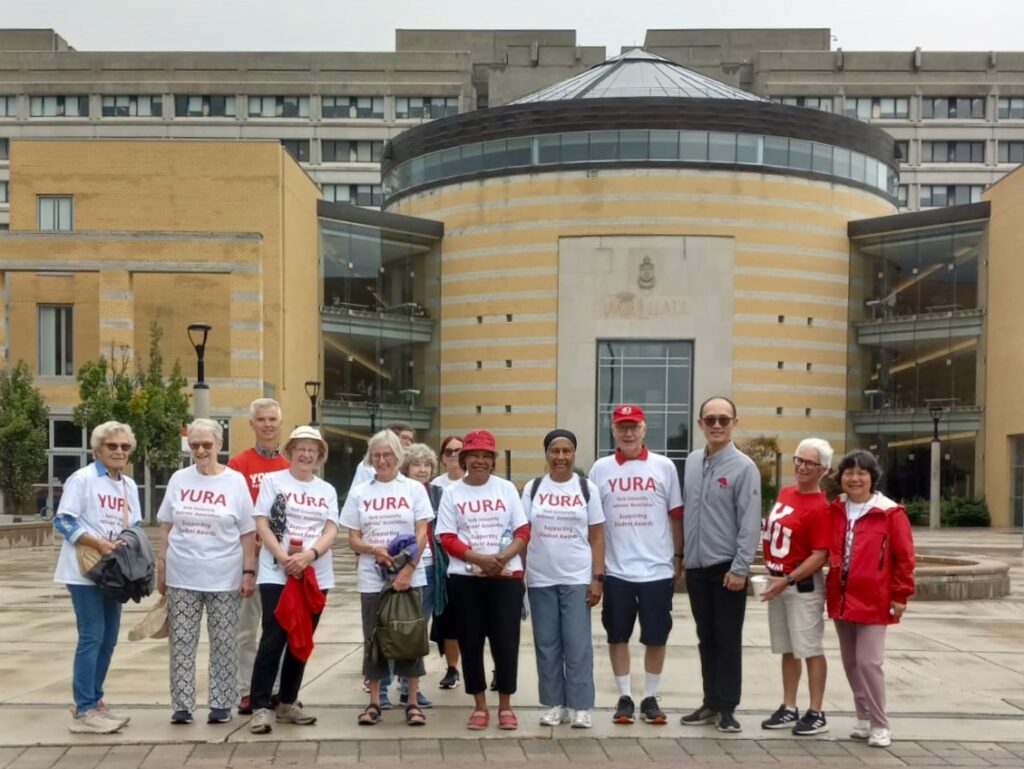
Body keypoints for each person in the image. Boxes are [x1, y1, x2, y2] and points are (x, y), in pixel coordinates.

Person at [156, 418, 257, 725]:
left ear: (219, 446)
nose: (200, 450)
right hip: (182, 575)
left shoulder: (235, 481)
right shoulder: (179, 479)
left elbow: (247, 532)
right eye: (195, 445)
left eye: (206, 445)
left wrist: (248, 572)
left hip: (223, 575)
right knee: (182, 642)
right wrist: (161, 565)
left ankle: (220, 704)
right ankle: (183, 705)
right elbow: (166, 526)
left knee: (224, 642)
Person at [587, 405, 682, 726]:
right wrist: (596, 571)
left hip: (656, 570)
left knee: (656, 637)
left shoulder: (664, 466)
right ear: (613, 430)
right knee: (617, 636)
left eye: (634, 427)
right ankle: (625, 696)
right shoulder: (600, 469)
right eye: (621, 427)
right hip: (616, 571)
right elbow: (593, 525)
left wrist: (678, 558)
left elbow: (676, 516)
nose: (628, 433)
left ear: (644, 430)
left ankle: (650, 697)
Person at [435, 430, 530, 731]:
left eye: (486, 456)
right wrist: (479, 559)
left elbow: (523, 532)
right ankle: (479, 706)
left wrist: (500, 559)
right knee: (471, 642)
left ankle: (505, 705)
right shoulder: (453, 493)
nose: (480, 461)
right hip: (466, 579)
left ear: (493, 460)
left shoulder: (506, 490)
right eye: (474, 455)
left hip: (505, 577)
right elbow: (446, 537)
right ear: (463, 459)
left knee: (506, 643)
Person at [248, 426, 339, 734]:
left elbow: (331, 530)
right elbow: (262, 522)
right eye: (300, 448)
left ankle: (288, 702)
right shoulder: (274, 481)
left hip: (314, 574)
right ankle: (260, 706)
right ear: (289, 452)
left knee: (301, 640)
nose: (305, 453)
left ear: (319, 455)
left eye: (312, 449)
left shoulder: (326, 490)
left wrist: (309, 555)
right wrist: (285, 558)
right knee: (273, 638)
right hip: (277, 572)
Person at [53, 421, 143, 734]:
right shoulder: (83, 479)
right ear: (97, 450)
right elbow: (63, 521)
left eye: (125, 447)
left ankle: (95, 699)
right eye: (112, 446)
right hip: (85, 570)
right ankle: (84, 708)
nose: (119, 452)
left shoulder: (128, 485)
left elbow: (136, 524)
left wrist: (128, 544)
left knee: (108, 638)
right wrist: (98, 543)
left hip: (113, 572)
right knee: (92, 635)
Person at [679, 396, 761, 733]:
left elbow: (750, 522)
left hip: (727, 569)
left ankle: (727, 707)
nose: (716, 425)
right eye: (710, 419)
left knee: (727, 639)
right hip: (696, 568)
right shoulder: (693, 461)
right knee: (705, 637)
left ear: (734, 424)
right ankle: (710, 701)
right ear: (700, 424)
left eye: (723, 420)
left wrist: (740, 568)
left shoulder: (744, 467)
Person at [341, 430, 433, 727]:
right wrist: (373, 549)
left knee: (410, 636)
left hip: (409, 577)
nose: (382, 460)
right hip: (372, 577)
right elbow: (353, 538)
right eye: (376, 455)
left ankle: (413, 701)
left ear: (398, 456)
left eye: (387, 455)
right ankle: (375, 702)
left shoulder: (413, 490)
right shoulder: (360, 493)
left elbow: (422, 533)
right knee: (374, 638)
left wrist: (408, 570)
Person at [827, 449, 915, 749]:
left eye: (861, 473)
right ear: (841, 478)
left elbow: (904, 558)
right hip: (840, 596)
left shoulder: (891, 513)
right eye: (849, 473)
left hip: (874, 598)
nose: (854, 478)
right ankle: (863, 717)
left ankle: (880, 724)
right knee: (851, 662)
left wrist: (900, 594)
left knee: (869, 662)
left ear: (872, 477)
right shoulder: (836, 509)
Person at [522, 429, 605, 729]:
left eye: (566, 451)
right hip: (540, 577)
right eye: (554, 451)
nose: (560, 457)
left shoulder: (587, 489)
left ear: (574, 454)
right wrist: (520, 576)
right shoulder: (532, 489)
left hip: (576, 577)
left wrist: (597, 578)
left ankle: (581, 706)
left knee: (577, 644)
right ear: (546, 454)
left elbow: (597, 536)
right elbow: (523, 534)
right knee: (546, 644)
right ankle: (555, 704)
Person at [758, 438, 832, 736]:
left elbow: (820, 555)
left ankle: (816, 711)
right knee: (788, 649)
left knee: (810, 648)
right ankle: (790, 706)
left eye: (810, 463)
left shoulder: (820, 507)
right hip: (777, 580)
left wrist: (788, 579)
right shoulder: (787, 493)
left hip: (799, 585)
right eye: (799, 460)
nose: (802, 466)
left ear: (823, 469)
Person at [227, 398, 290, 715]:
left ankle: (276, 688)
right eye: (261, 420)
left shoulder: (290, 466)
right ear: (252, 425)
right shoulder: (238, 465)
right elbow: (236, 514)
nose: (267, 425)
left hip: (283, 563)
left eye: (273, 420)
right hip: (249, 561)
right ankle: (247, 690)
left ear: (281, 424)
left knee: (279, 628)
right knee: (247, 629)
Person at [400, 443, 443, 707]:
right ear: (406, 467)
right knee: (395, 628)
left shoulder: (437, 493)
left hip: (430, 568)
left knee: (419, 630)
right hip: (403, 567)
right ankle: (383, 683)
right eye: (417, 464)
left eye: (427, 465)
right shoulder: (399, 491)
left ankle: (409, 687)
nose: (423, 469)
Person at [430, 434, 465, 689]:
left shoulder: (475, 482)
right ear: (442, 458)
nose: (453, 455)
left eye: (458, 451)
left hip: (474, 559)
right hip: (443, 562)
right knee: (450, 620)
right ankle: (452, 668)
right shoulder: (434, 487)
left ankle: (496, 668)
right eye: (449, 451)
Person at [348, 421, 416, 493]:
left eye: (411, 440)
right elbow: (356, 495)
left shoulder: (415, 465)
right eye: (404, 438)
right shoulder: (367, 466)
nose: (408, 443)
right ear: (392, 437)